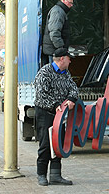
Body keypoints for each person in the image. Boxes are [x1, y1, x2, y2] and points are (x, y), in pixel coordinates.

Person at [33, 48, 78, 186]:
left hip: (60, 115)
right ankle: (41, 175)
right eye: (69, 58)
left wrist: (71, 99)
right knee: (45, 145)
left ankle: (55, 175)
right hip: (45, 113)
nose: (70, 61)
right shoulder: (44, 72)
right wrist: (55, 104)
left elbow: (73, 88)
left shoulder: (66, 73)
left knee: (58, 144)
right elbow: (41, 94)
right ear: (62, 59)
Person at [42, 0, 74, 65]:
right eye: (70, 3)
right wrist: (61, 48)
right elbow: (54, 32)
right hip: (55, 52)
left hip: (53, 50)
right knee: (55, 74)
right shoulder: (58, 11)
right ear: (63, 0)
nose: (71, 5)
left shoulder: (59, 11)